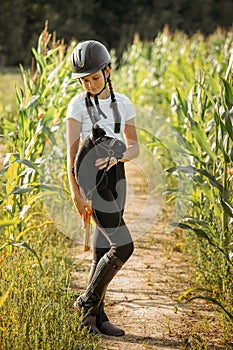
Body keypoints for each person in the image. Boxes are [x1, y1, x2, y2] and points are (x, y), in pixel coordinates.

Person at [66, 40, 139, 336]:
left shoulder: (123, 103)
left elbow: (134, 148)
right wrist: (75, 194)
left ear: (107, 71)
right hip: (91, 182)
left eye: (94, 77)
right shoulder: (76, 106)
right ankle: (86, 302)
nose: (89, 84)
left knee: (101, 250)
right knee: (123, 245)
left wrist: (117, 156)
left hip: (117, 178)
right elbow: (70, 156)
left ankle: (94, 319)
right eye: (84, 79)